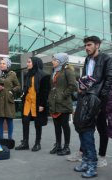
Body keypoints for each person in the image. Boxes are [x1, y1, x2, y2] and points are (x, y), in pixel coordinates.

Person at [73, 36, 112, 178]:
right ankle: (86, 160)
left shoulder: (106, 58)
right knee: (82, 128)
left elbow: (109, 78)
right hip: (85, 97)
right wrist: (81, 87)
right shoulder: (87, 59)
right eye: (85, 46)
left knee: (95, 129)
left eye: (89, 45)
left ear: (97, 45)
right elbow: (85, 77)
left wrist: (101, 98)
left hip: (97, 99)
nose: (87, 48)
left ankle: (94, 162)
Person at [15, 57, 50, 151]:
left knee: (38, 123)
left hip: (38, 103)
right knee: (25, 121)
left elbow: (45, 91)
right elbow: (26, 88)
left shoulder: (44, 75)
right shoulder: (28, 74)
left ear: (34, 63)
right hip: (27, 102)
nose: (27, 63)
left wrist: (42, 104)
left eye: (29, 62)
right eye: (27, 61)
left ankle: (37, 143)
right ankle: (25, 143)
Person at [48, 53, 77, 156]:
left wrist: (63, 95)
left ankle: (66, 147)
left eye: (55, 60)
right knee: (56, 126)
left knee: (65, 126)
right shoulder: (53, 72)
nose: (53, 61)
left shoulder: (68, 71)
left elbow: (73, 85)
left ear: (60, 61)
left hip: (64, 103)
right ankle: (58, 145)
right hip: (54, 103)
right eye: (53, 60)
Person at [0, 58, 20, 140]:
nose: (1, 65)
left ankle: (10, 139)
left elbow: (18, 86)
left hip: (8, 100)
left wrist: (12, 91)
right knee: (0, 121)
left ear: (8, 65)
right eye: (0, 63)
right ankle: (1, 140)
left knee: (9, 120)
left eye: (3, 63)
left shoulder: (12, 74)